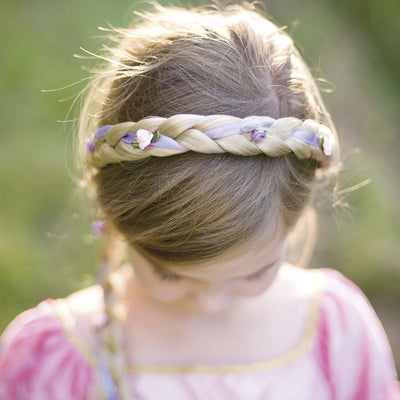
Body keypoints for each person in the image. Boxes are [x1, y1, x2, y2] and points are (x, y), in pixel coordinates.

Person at [0, 3, 398, 399]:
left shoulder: (337, 335)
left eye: (253, 274)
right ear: (112, 212)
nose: (209, 302)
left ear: (300, 212)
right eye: (170, 275)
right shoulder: (51, 363)